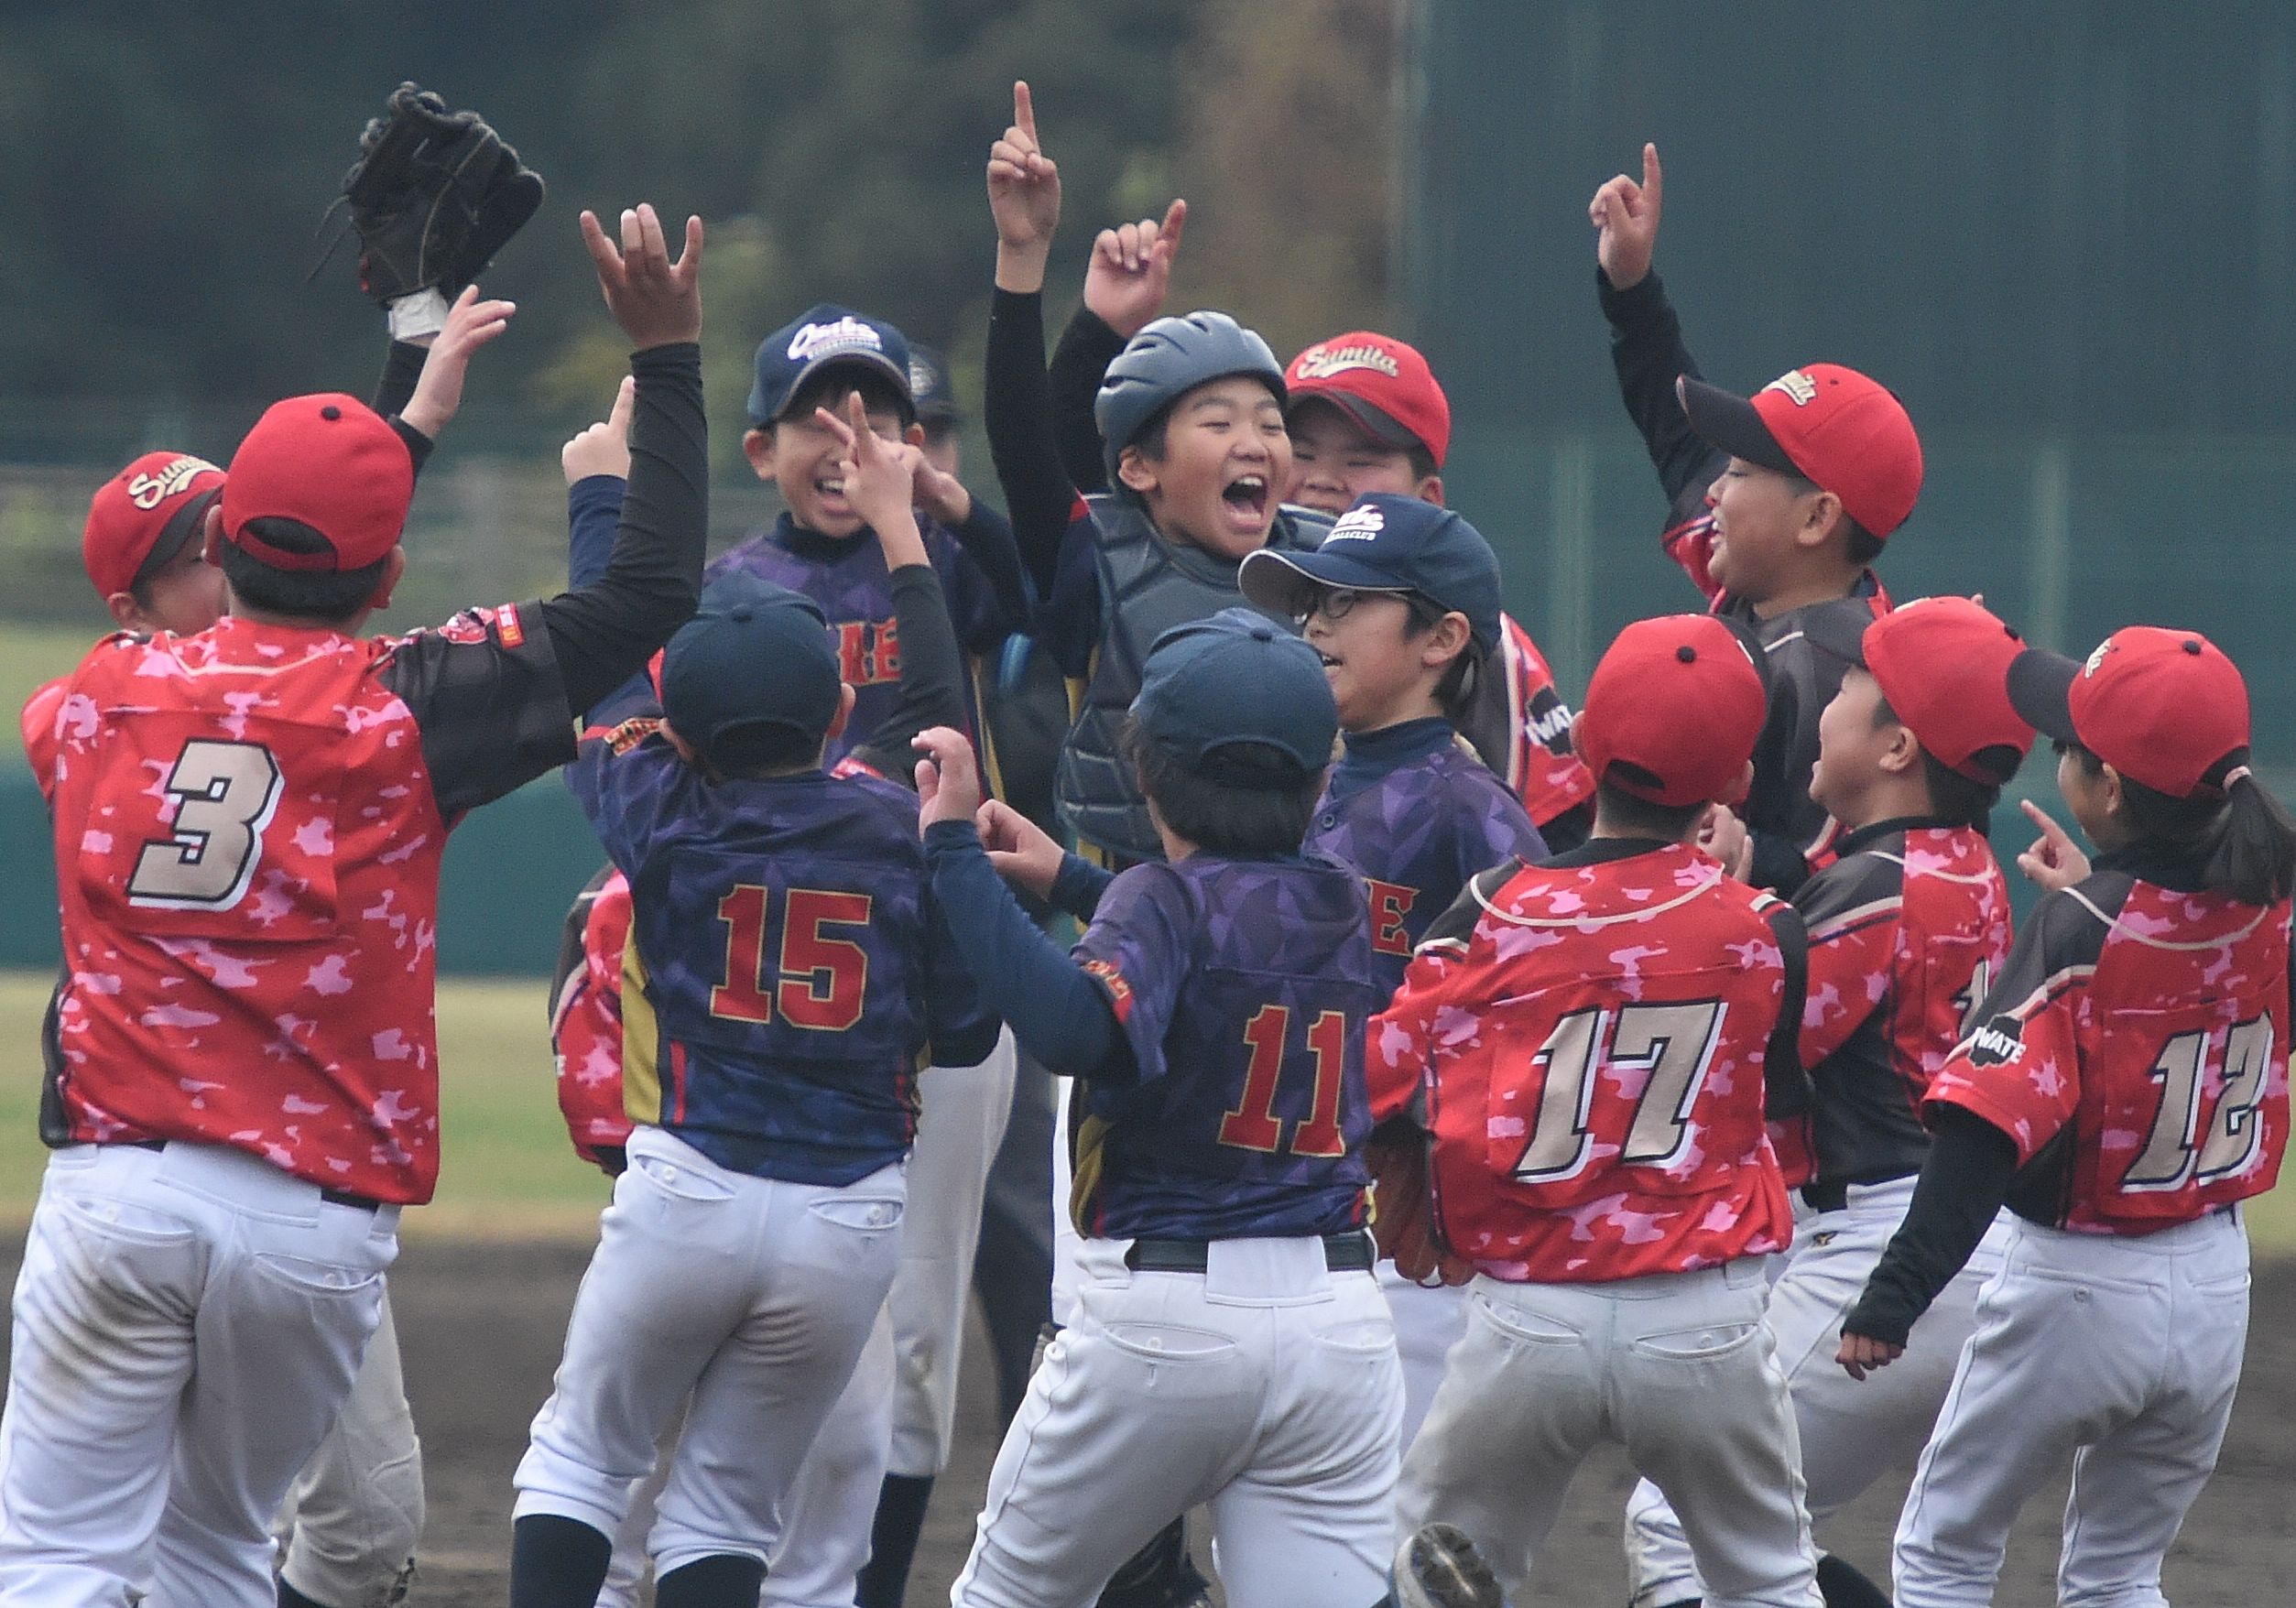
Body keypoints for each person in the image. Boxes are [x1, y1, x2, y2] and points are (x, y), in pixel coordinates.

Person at [0, 200, 705, 1608]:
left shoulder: (92, 698)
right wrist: (668, 357)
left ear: (224, 546)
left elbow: (261, 604)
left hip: (114, 1192)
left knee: (60, 1562)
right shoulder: (404, 708)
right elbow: (645, 595)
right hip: (305, 1227)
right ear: (386, 576)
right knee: (219, 1556)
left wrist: (401, 414)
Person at [12, 290, 506, 1608]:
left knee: (364, 1527)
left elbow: (335, 549)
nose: (229, 549)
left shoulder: (246, 692)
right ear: (133, 605)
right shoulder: (105, 704)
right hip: (177, 1159)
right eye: (195, 549)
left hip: (298, 1185)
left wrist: (406, 409)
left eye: (230, 523)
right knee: (176, 1542)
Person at [508, 393, 997, 1608]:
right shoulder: (898, 825)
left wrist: (602, 500)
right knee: (728, 1505)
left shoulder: (658, 812)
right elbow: (935, 710)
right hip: (847, 1216)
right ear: (837, 713)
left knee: (582, 1460)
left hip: (688, 1187)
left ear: (677, 730)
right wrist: (902, 533)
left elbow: (600, 669)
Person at [916, 610, 1401, 1608]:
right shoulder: (1346, 901)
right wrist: (1073, 879)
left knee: (1006, 1596)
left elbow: (1075, 1029)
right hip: (1336, 1329)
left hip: (1169, 1327)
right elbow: (1231, 925)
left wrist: (954, 855)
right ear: (1318, 781)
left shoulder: (1158, 898)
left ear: (1144, 772)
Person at [1372, 613, 1823, 1608]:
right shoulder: (1769, 930)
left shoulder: (1490, 911)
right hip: (1701, 1321)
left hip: (1528, 1318)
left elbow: (1385, 1073)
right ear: (1735, 781)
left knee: (1429, 1566)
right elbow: (1782, 1113)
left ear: (1578, 743)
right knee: (1768, 1579)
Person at [1838, 625, 2296, 1607]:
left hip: (2078, 1287)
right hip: (2214, 1291)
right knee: (2118, 1575)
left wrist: (1894, 1297)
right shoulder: (2270, 905)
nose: (2057, 753)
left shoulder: (2079, 929)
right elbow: (2190, 970)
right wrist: (2096, 901)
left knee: (1942, 1551)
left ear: (2109, 791)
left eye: (2068, 744)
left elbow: (1979, 1133)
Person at [1620, 597, 2035, 1608]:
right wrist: (1751, 883)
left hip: (1876, 1242)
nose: (1825, 701)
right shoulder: (1958, 858)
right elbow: (1840, 914)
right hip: (1940, 1238)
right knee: (1754, 1536)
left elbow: (1750, 1054)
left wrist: (1704, 908)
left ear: (1896, 747)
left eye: (1849, 684)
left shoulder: (1875, 885)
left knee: (1677, 1524)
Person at [1035, 207, 1593, 853]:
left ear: (1429, 500)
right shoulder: (1208, 559)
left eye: (1361, 459)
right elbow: (1082, 491)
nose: (1322, 480)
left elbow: (1553, 845)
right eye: (1298, 448)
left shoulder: (1479, 640)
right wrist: (1096, 333)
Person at [1234, 494, 1546, 1454]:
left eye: (1345, 603)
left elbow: (1536, 1019)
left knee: (1392, 1505)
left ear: (1440, 639)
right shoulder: (1309, 785)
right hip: (1289, 1199)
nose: (1313, 624)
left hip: (1410, 1238)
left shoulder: (1472, 812)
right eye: (1309, 603)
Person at [1591, 142, 1922, 893]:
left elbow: (1834, 877)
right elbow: (1678, 439)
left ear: (1815, 519)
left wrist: (1731, 854)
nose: (1714, 490)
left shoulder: (1844, 675)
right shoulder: (1765, 572)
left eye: (1739, 472)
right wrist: (1631, 288)